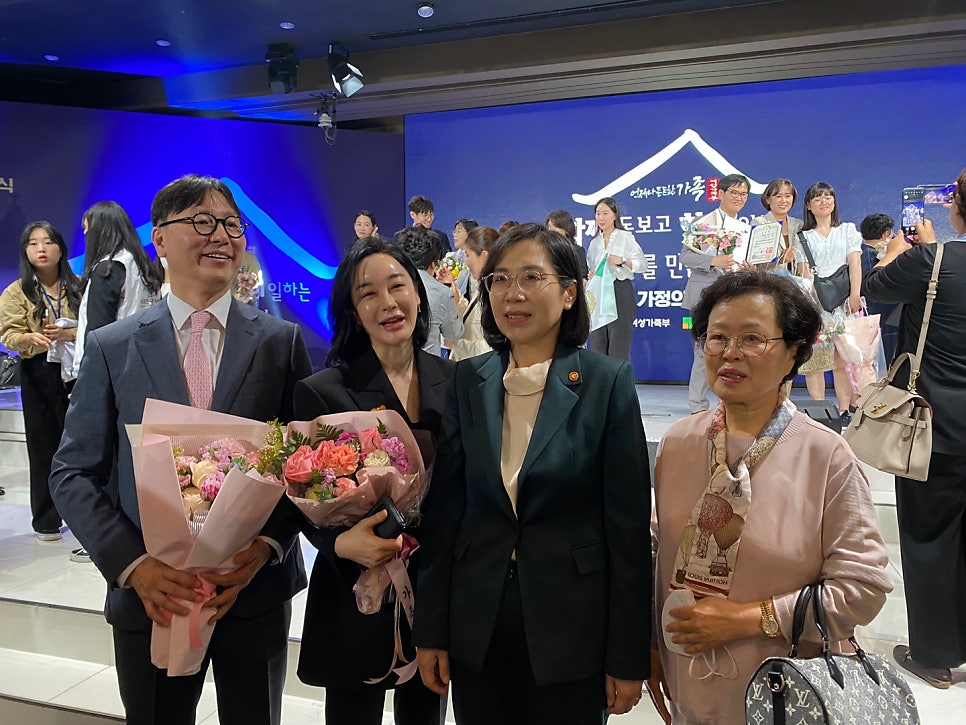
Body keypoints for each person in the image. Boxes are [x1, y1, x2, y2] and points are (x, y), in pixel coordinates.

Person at [49, 174, 312, 725]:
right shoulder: (111, 346)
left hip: (250, 593)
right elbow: (72, 472)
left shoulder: (279, 343)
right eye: (200, 222)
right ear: (160, 240)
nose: (220, 235)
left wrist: (264, 547)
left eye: (231, 224)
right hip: (152, 597)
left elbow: (300, 467)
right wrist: (132, 565)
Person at [414, 223, 652, 723]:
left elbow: (627, 529)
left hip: (572, 626)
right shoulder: (468, 380)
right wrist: (432, 630)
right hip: (478, 622)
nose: (512, 293)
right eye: (499, 279)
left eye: (530, 277)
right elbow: (447, 513)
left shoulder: (606, 382)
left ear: (569, 293)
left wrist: (627, 654)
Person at [649, 271, 891, 724]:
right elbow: (661, 553)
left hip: (787, 695)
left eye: (753, 339)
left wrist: (746, 618)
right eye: (716, 337)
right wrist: (649, 644)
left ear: (795, 352)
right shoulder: (678, 443)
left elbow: (863, 589)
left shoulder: (825, 456)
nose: (730, 352)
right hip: (690, 688)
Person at [294, 236, 453, 725]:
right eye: (368, 294)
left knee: (424, 713)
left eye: (397, 285)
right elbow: (300, 499)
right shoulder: (323, 393)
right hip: (355, 589)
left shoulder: (458, 381)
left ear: (419, 293)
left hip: (433, 588)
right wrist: (342, 544)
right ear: (352, 311)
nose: (387, 303)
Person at [863, 168, 966, 689]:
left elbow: (879, 287)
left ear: (956, 208)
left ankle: (935, 656)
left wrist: (913, 247)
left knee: (928, 538)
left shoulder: (934, 260)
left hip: (934, 429)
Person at [0, 221, 80, 541]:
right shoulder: (17, 291)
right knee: (43, 445)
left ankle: (83, 513)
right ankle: (46, 519)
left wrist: (69, 333)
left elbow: (97, 325)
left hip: (78, 370)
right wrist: (28, 339)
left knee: (81, 446)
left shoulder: (79, 287)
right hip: (39, 371)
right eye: (33, 243)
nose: (41, 249)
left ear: (61, 248)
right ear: (26, 251)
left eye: (48, 242)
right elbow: (9, 334)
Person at [681, 174, 752, 414]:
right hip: (706, 293)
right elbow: (686, 256)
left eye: (743, 194)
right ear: (720, 194)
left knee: (734, 350)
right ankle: (698, 407)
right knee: (704, 349)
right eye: (734, 192)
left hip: (735, 294)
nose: (739, 198)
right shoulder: (704, 224)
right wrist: (714, 260)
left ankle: (729, 403)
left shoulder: (745, 227)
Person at [71, 200, 164, 380]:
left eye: (87, 229)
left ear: (100, 231)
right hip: (143, 362)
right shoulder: (142, 266)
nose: (85, 234)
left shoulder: (108, 269)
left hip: (111, 369)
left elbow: (98, 331)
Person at [795, 182, 863, 424]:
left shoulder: (847, 230)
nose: (824, 202)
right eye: (818, 198)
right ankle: (818, 411)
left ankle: (845, 409)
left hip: (845, 303)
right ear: (809, 206)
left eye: (828, 197)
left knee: (843, 360)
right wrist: (810, 304)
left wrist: (855, 293)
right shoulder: (801, 237)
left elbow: (855, 263)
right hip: (816, 304)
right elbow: (804, 274)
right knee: (815, 361)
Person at [586, 197, 647, 361]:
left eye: (605, 213)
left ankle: (618, 384)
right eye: (598, 214)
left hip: (619, 291)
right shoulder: (594, 244)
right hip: (598, 295)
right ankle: (601, 385)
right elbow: (591, 268)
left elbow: (642, 264)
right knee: (598, 343)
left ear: (615, 215)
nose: (601, 218)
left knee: (619, 344)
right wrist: (592, 276)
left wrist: (622, 261)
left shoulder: (625, 237)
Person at [395, 225, 464, 356]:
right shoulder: (441, 293)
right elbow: (454, 333)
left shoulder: (384, 287)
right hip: (427, 370)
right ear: (433, 263)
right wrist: (455, 302)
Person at [436, 225, 498, 362]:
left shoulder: (496, 294)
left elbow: (493, 348)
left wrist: (456, 344)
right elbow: (471, 316)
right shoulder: (485, 286)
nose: (466, 261)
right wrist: (453, 288)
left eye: (468, 255)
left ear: (483, 256)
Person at [858, 213, 899, 363]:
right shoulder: (880, 258)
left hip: (863, 317)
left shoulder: (857, 254)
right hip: (884, 317)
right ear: (886, 234)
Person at [750, 178, 801, 270]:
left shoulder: (798, 225)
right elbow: (757, 263)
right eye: (778, 196)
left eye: (788, 196)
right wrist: (780, 260)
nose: (783, 200)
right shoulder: (760, 223)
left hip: (797, 282)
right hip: (770, 281)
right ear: (768, 199)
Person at [546, 209, 589, 280]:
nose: (551, 231)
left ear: (566, 229)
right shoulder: (545, 250)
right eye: (549, 227)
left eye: (555, 227)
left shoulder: (577, 250)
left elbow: (582, 276)